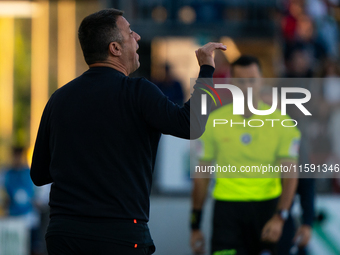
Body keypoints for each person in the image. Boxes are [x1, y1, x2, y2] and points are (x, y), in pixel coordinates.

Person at [30, 8, 226, 255]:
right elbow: (191, 124)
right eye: (131, 33)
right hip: (119, 233)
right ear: (115, 48)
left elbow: (39, 174)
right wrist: (207, 71)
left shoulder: (58, 99)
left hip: (64, 233)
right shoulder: (137, 92)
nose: (138, 37)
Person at [190, 55, 300, 255]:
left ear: (262, 81)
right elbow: (202, 177)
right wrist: (195, 225)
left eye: (252, 80)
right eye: (241, 81)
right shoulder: (213, 122)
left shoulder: (283, 123)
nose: (247, 86)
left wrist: (280, 216)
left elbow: (290, 174)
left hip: (267, 210)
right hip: (227, 213)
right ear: (232, 83)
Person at [3, 147, 40, 255]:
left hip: (29, 216)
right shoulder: (7, 174)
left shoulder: (29, 173)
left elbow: (37, 195)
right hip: (13, 217)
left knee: (33, 247)